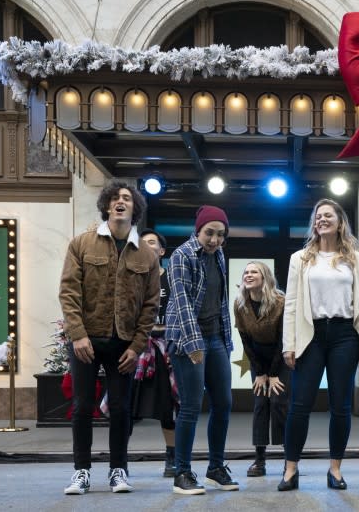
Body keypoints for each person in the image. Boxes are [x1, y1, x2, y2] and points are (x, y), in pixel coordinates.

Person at [59, 181, 160, 495]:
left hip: (124, 344)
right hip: (85, 341)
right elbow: (69, 292)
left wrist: (137, 345)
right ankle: (81, 472)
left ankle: (119, 470)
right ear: (105, 205)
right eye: (115, 198)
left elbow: (151, 304)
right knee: (82, 406)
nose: (120, 202)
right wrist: (77, 336)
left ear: (135, 209)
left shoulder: (147, 254)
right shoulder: (81, 244)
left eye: (127, 198)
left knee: (120, 408)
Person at [278, 198, 359, 492]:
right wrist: (288, 345)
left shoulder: (355, 258)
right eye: (318, 216)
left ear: (340, 222)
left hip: (344, 334)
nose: (321, 220)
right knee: (300, 404)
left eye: (328, 215)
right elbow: (291, 303)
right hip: (311, 334)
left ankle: (335, 469)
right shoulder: (301, 258)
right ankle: (290, 469)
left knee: (341, 406)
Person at [166, 205, 239, 495]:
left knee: (223, 403)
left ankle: (215, 468)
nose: (214, 240)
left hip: (215, 337)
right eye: (209, 233)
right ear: (198, 230)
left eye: (220, 235)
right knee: (191, 406)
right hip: (186, 338)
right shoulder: (181, 256)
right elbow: (182, 302)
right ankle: (182, 472)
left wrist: (225, 339)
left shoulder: (218, 254)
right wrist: (194, 345)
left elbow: (220, 300)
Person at [131, 229, 179, 478]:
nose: (146, 246)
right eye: (142, 243)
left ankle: (173, 457)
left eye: (151, 243)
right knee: (126, 405)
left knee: (168, 406)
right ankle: (119, 462)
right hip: (137, 347)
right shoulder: (131, 278)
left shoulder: (171, 278)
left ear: (161, 251)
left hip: (166, 347)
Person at [233, 261, 287, 477]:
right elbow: (245, 340)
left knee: (279, 402)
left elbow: (283, 340)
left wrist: (273, 374)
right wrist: (261, 373)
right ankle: (259, 460)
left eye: (254, 271)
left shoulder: (280, 302)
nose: (248, 275)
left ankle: (289, 460)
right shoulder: (240, 304)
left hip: (281, 356)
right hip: (258, 357)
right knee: (260, 403)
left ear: (264, 277)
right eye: (246, 272)